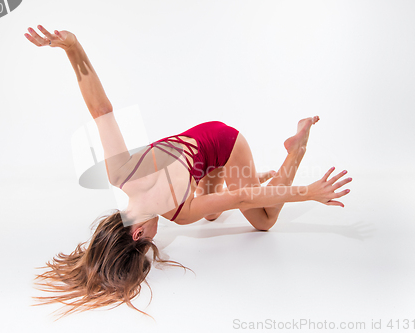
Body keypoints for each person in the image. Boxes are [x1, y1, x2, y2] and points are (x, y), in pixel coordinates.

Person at [25, 25, 352, 317]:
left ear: (137, 233)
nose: (157, 238)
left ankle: (299, 144)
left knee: (265, 220)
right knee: (210, 215)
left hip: (227, 144)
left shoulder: (179, 213)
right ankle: (258, 173)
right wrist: (73, 47)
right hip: (202, 143)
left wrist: (309, 192)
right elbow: (101, 109)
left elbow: (241, 197)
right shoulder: (120, 174)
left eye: (148, 244)